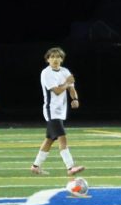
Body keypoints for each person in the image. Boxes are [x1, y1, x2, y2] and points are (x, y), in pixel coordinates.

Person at [31, 47, 84, 176]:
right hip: (51, 110)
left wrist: (75, 98)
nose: (55, 59)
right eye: (52, 57)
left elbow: (71, 88)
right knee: (62, 138)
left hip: (61, 111)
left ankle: (35, 166)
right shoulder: (46, 73)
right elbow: (57, 90)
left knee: (49, 139)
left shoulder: (65, 71)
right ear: (47, 59)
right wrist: (67, 83)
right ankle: (70, 167)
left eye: (58, 56)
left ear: (62, 59)